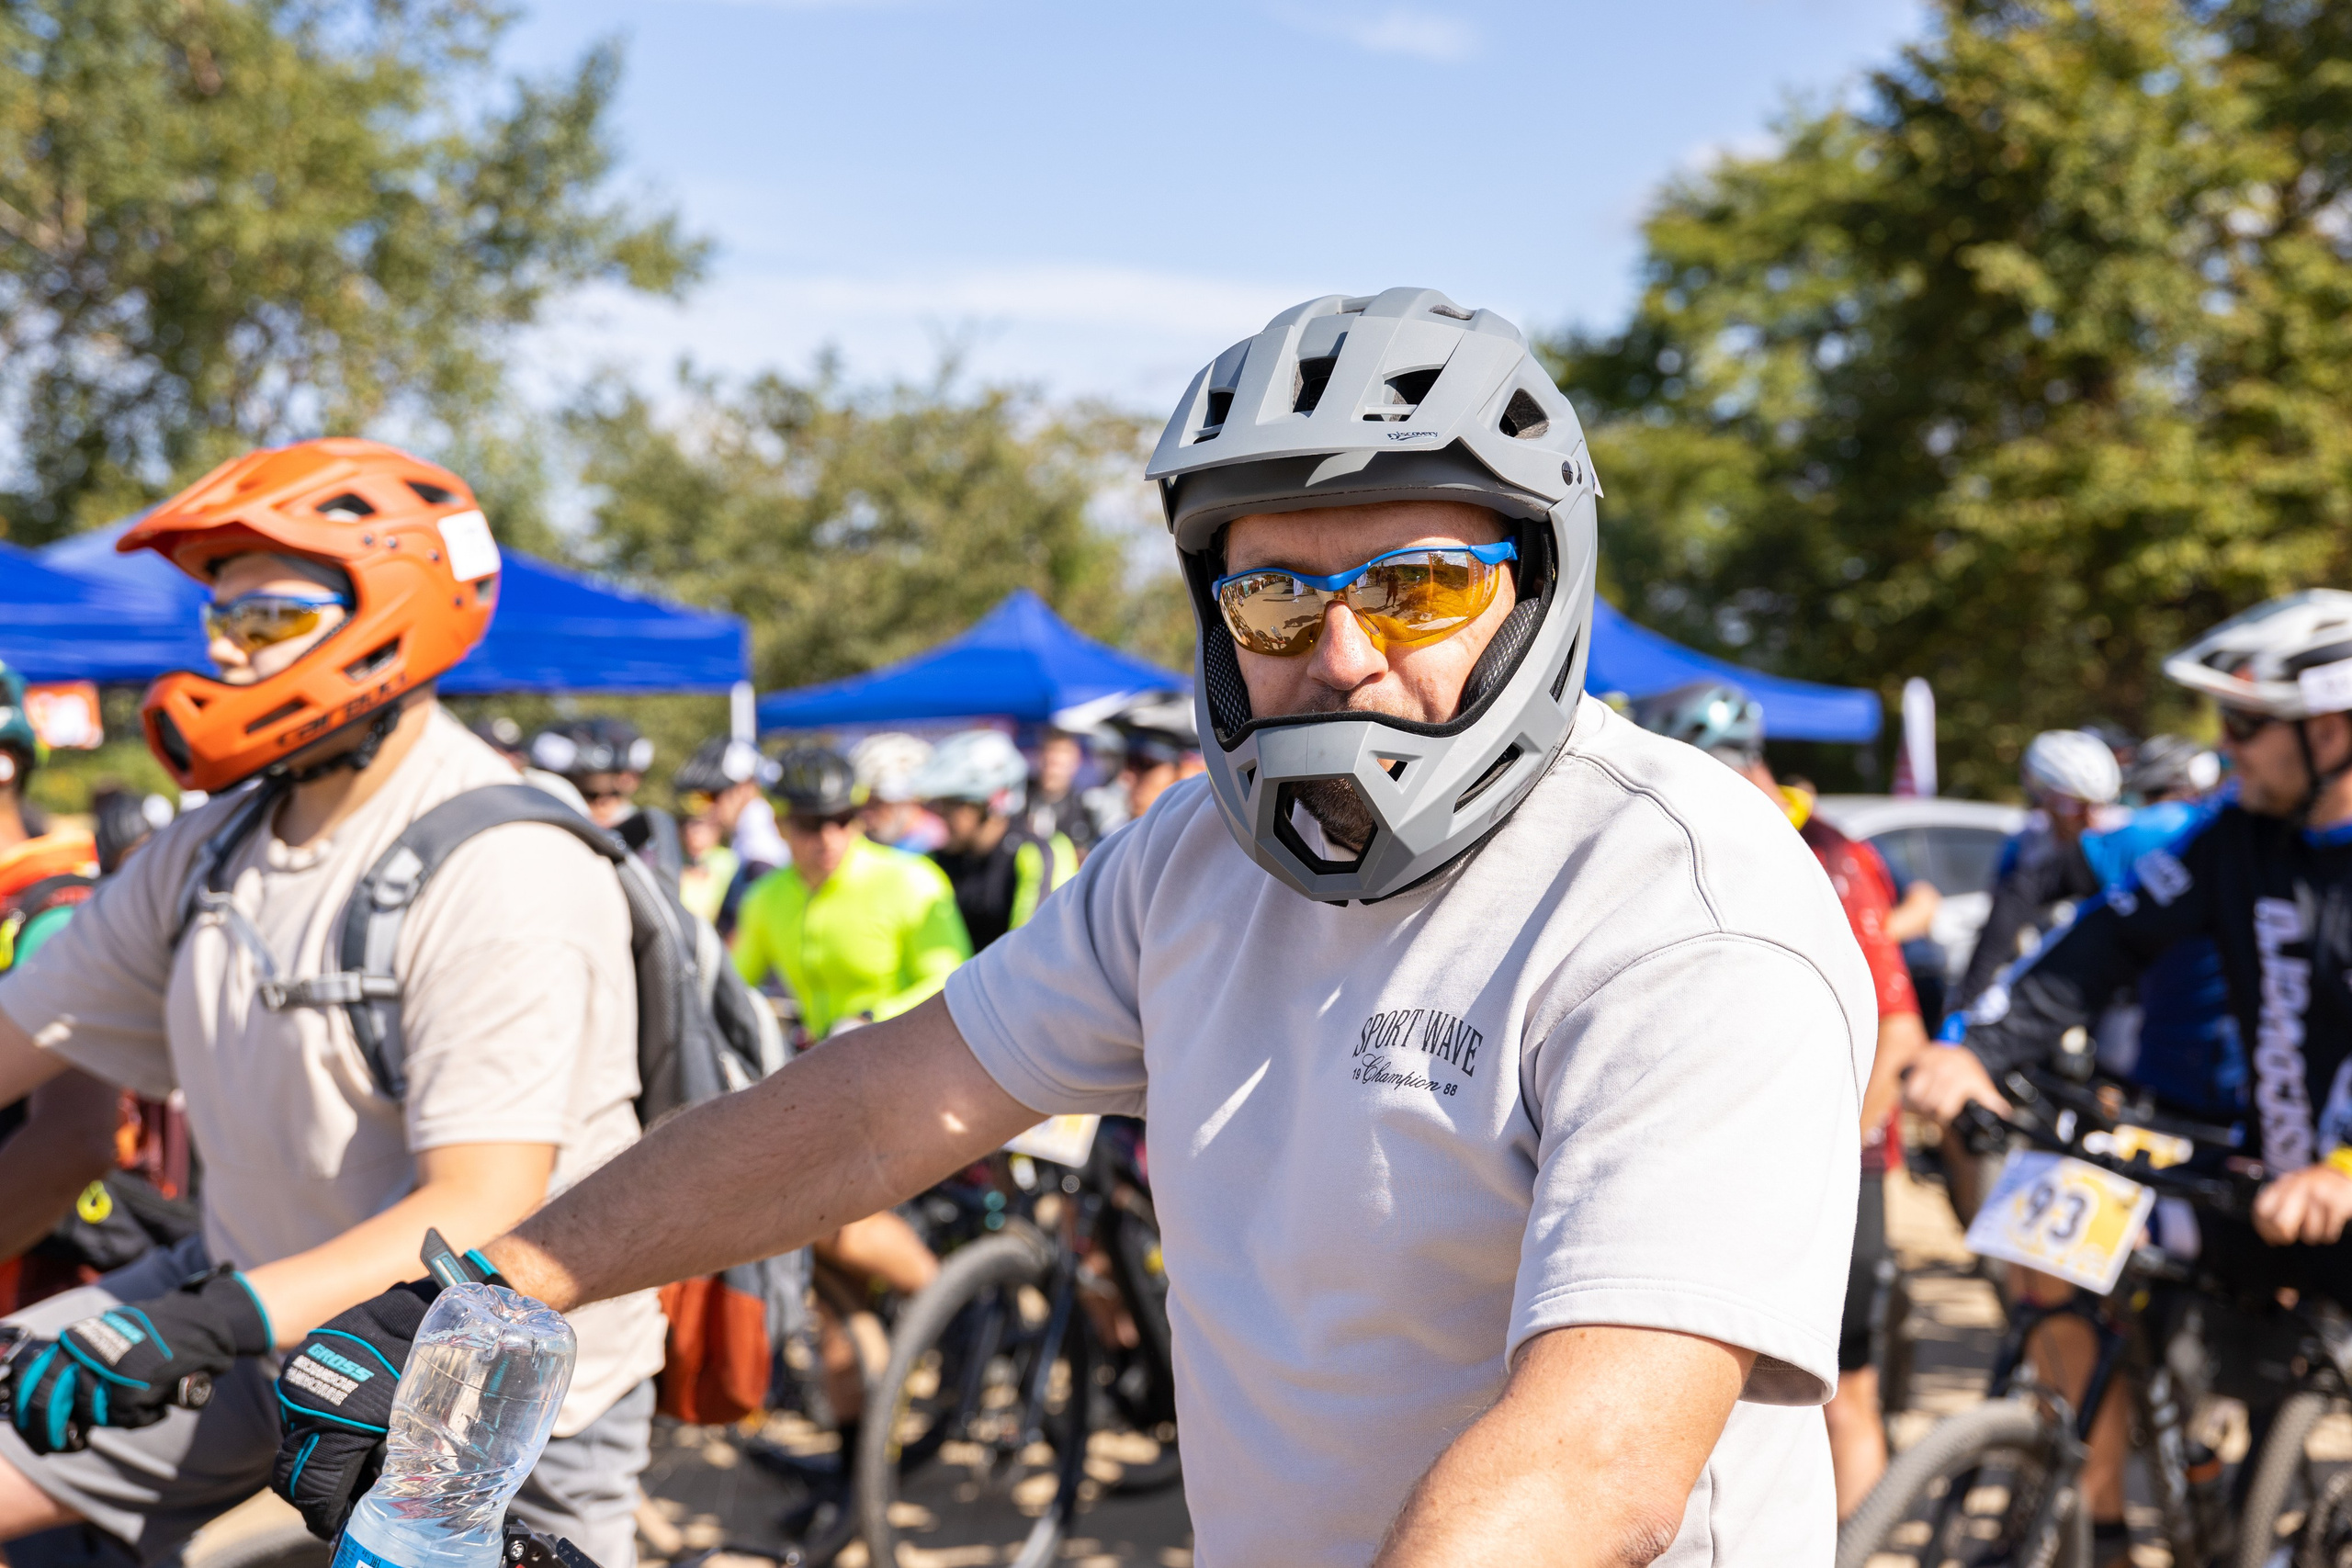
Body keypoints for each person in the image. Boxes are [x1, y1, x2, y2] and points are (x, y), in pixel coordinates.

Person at [289, 289, 1873, 1566]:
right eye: (1273, 603)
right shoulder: (1189, 859)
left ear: (1536, 593)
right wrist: (498, 1280)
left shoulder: (1685, 908)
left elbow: (1595, 1463)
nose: (1338, 654)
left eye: (1415, 592)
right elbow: (872, 1109)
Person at [0, 438, 666, 1568]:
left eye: (265, 622)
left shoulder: (504, 857)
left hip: (475, 1385)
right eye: (219, 622)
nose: (222, 654)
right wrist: (209, 1319)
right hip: (246, 1312)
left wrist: (203, 1321)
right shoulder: (208, 847)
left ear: (390, 612)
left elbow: (482, 1208)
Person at [1905, 590, 2352, 1564]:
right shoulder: (2233, 839)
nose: (2223, 748)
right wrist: (1972, 1050)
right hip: (2261, 1187)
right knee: (2066, 1254)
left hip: (2336, 1192)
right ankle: (2102, 1510)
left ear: (2333, 731)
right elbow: (2095, 948)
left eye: (2244, 725)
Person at [1629, 679, 1929, 1518]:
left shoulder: (1825, 852)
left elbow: (1900, 1035)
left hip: (1843, 1164)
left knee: (1844, 1394)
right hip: (1748, 1163)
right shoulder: (1710, 837)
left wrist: (1827, 1158)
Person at [726, 745, 960, 1522]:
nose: (823, 837)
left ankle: (944, 1301)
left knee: (829, 1229)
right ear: (781, 826)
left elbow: (953, 973)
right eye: (804, 823)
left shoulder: (908, 880)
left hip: (916, 1084)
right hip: (833, 1104)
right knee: (834, 1302)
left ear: (857, 817)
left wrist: (872, 1020)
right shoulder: (769, 898)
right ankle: (859, 1475)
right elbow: (730, 989)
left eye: (838, 820)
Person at [1950, 728, 2123, 1012]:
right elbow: (2002, 921)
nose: (2090, 819)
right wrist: (1967, 999)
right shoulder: (2027, 841)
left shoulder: (2116, 837)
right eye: (2075, 806)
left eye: (2098, 805)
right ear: (2045, 796)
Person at [913, 730, 1078, 952]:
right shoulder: (936, 859)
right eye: (935, 804)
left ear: (989, 805)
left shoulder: (1036, 852)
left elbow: (1031, 949)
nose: (938, 814)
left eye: (950, 804)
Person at [670, 738, 783, 934]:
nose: (710, 806)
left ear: (745, 787)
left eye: (715, 795)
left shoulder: (759, 849)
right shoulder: (750, 837)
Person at [528, 716, 653, 831]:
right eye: (590, 796)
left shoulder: (647, 838)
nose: (602, 804)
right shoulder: (541, 831)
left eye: (614, 794)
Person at [848, 731, 941, 853]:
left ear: (912, 800)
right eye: (860, 803)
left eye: (877, 802)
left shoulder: (939, 850)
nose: (865, 813)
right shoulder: (861, 846)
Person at [1022, 728, 1097, 853]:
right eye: (1047, 762)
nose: (1051, 771)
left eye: (1057, 764)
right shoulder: (1020, 799)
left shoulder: (1084, 809)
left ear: (1074, 763)